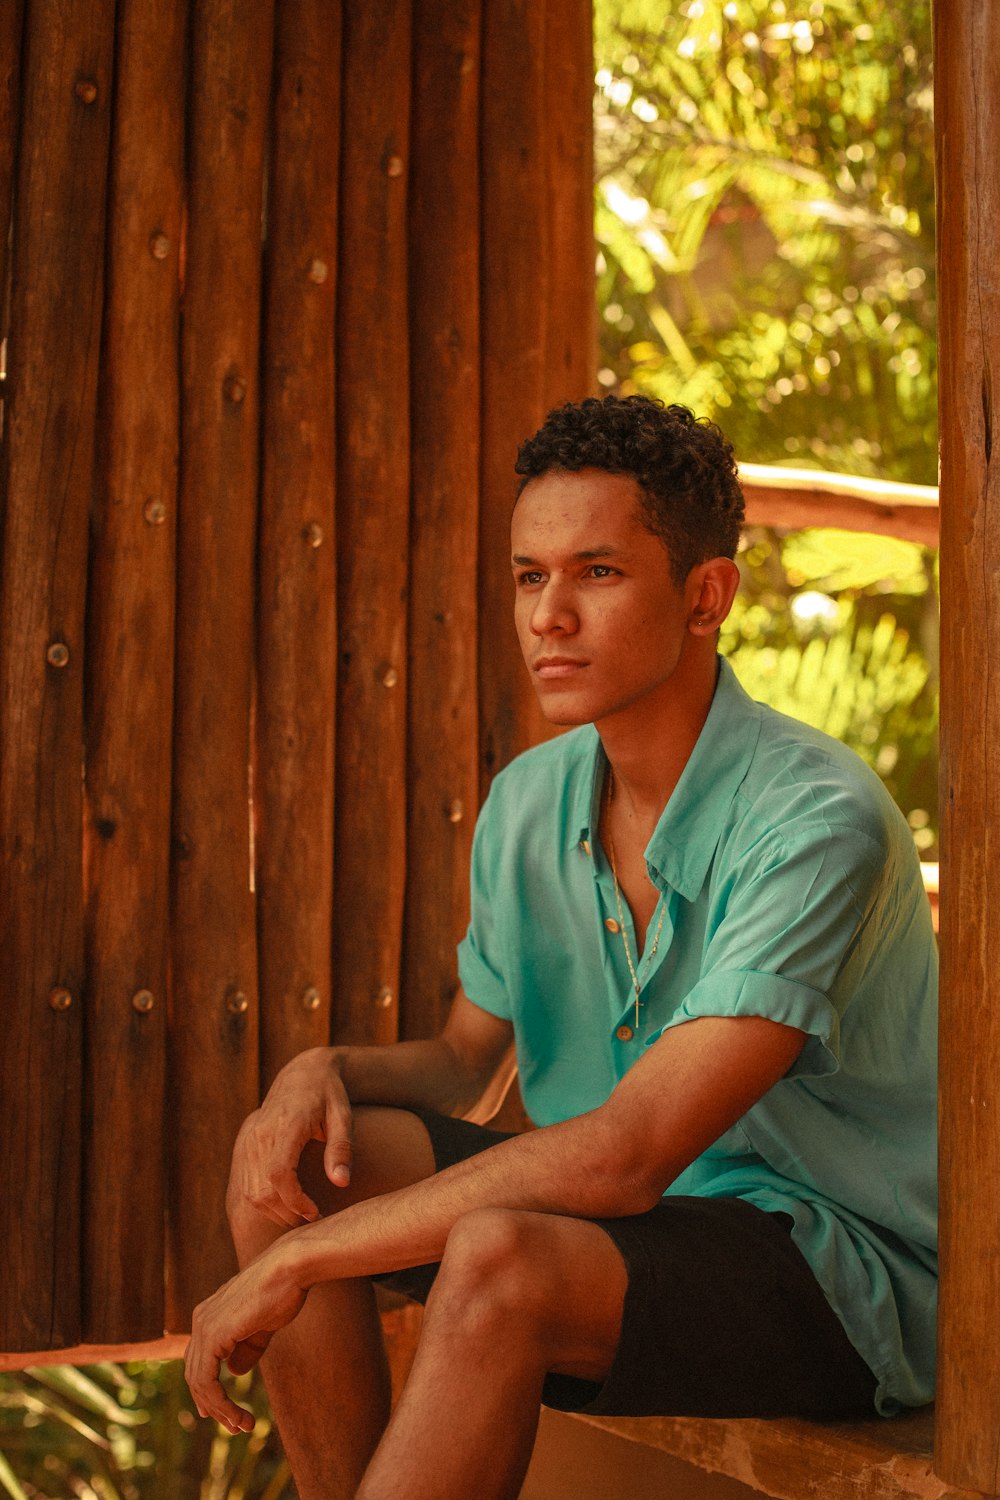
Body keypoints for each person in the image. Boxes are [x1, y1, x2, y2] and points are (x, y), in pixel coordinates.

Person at [185, 395, 937, 1500]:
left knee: (499, 1258)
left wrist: (306, 1259)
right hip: (615, 1232)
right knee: (292, 1167)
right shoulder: (528, 801)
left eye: (595, 573)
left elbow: (628, 1153)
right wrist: (319, 1073)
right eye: (530, 577)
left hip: (830, 1265)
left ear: (705, 595)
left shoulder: (813, 819)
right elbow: (462, 1062)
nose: (548, 616)